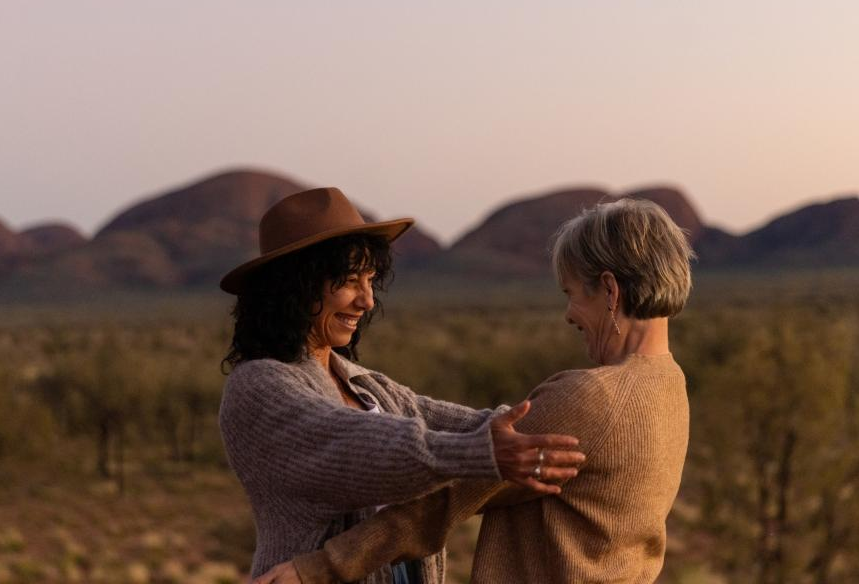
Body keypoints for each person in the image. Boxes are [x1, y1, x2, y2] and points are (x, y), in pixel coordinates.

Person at [255, 198, 694, 584]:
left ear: (611, 290)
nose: (569, 314)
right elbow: (435, 417)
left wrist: (319, 568)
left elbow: (445, 502)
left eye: (572, 292)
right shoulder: (670, 385)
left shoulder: (593, 395)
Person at [218, 187, 586, 583]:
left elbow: (460, 422)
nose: (367, 301)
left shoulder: (364, 385)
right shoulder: (257, 388)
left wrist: (559, 429)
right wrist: (479, 452)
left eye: (371, 280)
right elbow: (354, 446)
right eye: (348, 281)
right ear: (294, 287)